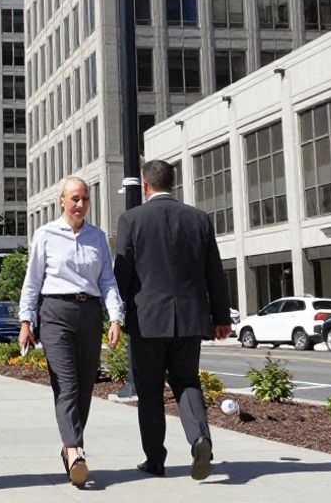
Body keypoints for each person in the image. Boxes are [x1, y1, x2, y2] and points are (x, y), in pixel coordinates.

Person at [113, 159, 233, 481]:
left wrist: (115, 315)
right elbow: (214, 274)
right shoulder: (198, 219)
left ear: (146, 186)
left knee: (150, 391)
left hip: (147, 321)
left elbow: (122, 274)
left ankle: (155, 460)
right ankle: (199, 438)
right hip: (190, 320)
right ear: (172, 183)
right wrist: (221, 317)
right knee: (186, 382)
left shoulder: (132, 219)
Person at [17, 178, 123, 487]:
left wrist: (115, 318)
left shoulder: (97, 237)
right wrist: (26, 321)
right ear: (62, 201)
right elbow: (32, 282)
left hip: (90, 314)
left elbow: (107, 281)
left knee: (85, 385)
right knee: (65, 384)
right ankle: (76, 450)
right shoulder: (46, 235)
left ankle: (69, 449)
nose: (80, 204)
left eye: (85, 199)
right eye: (75, 198)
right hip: (55, 313)